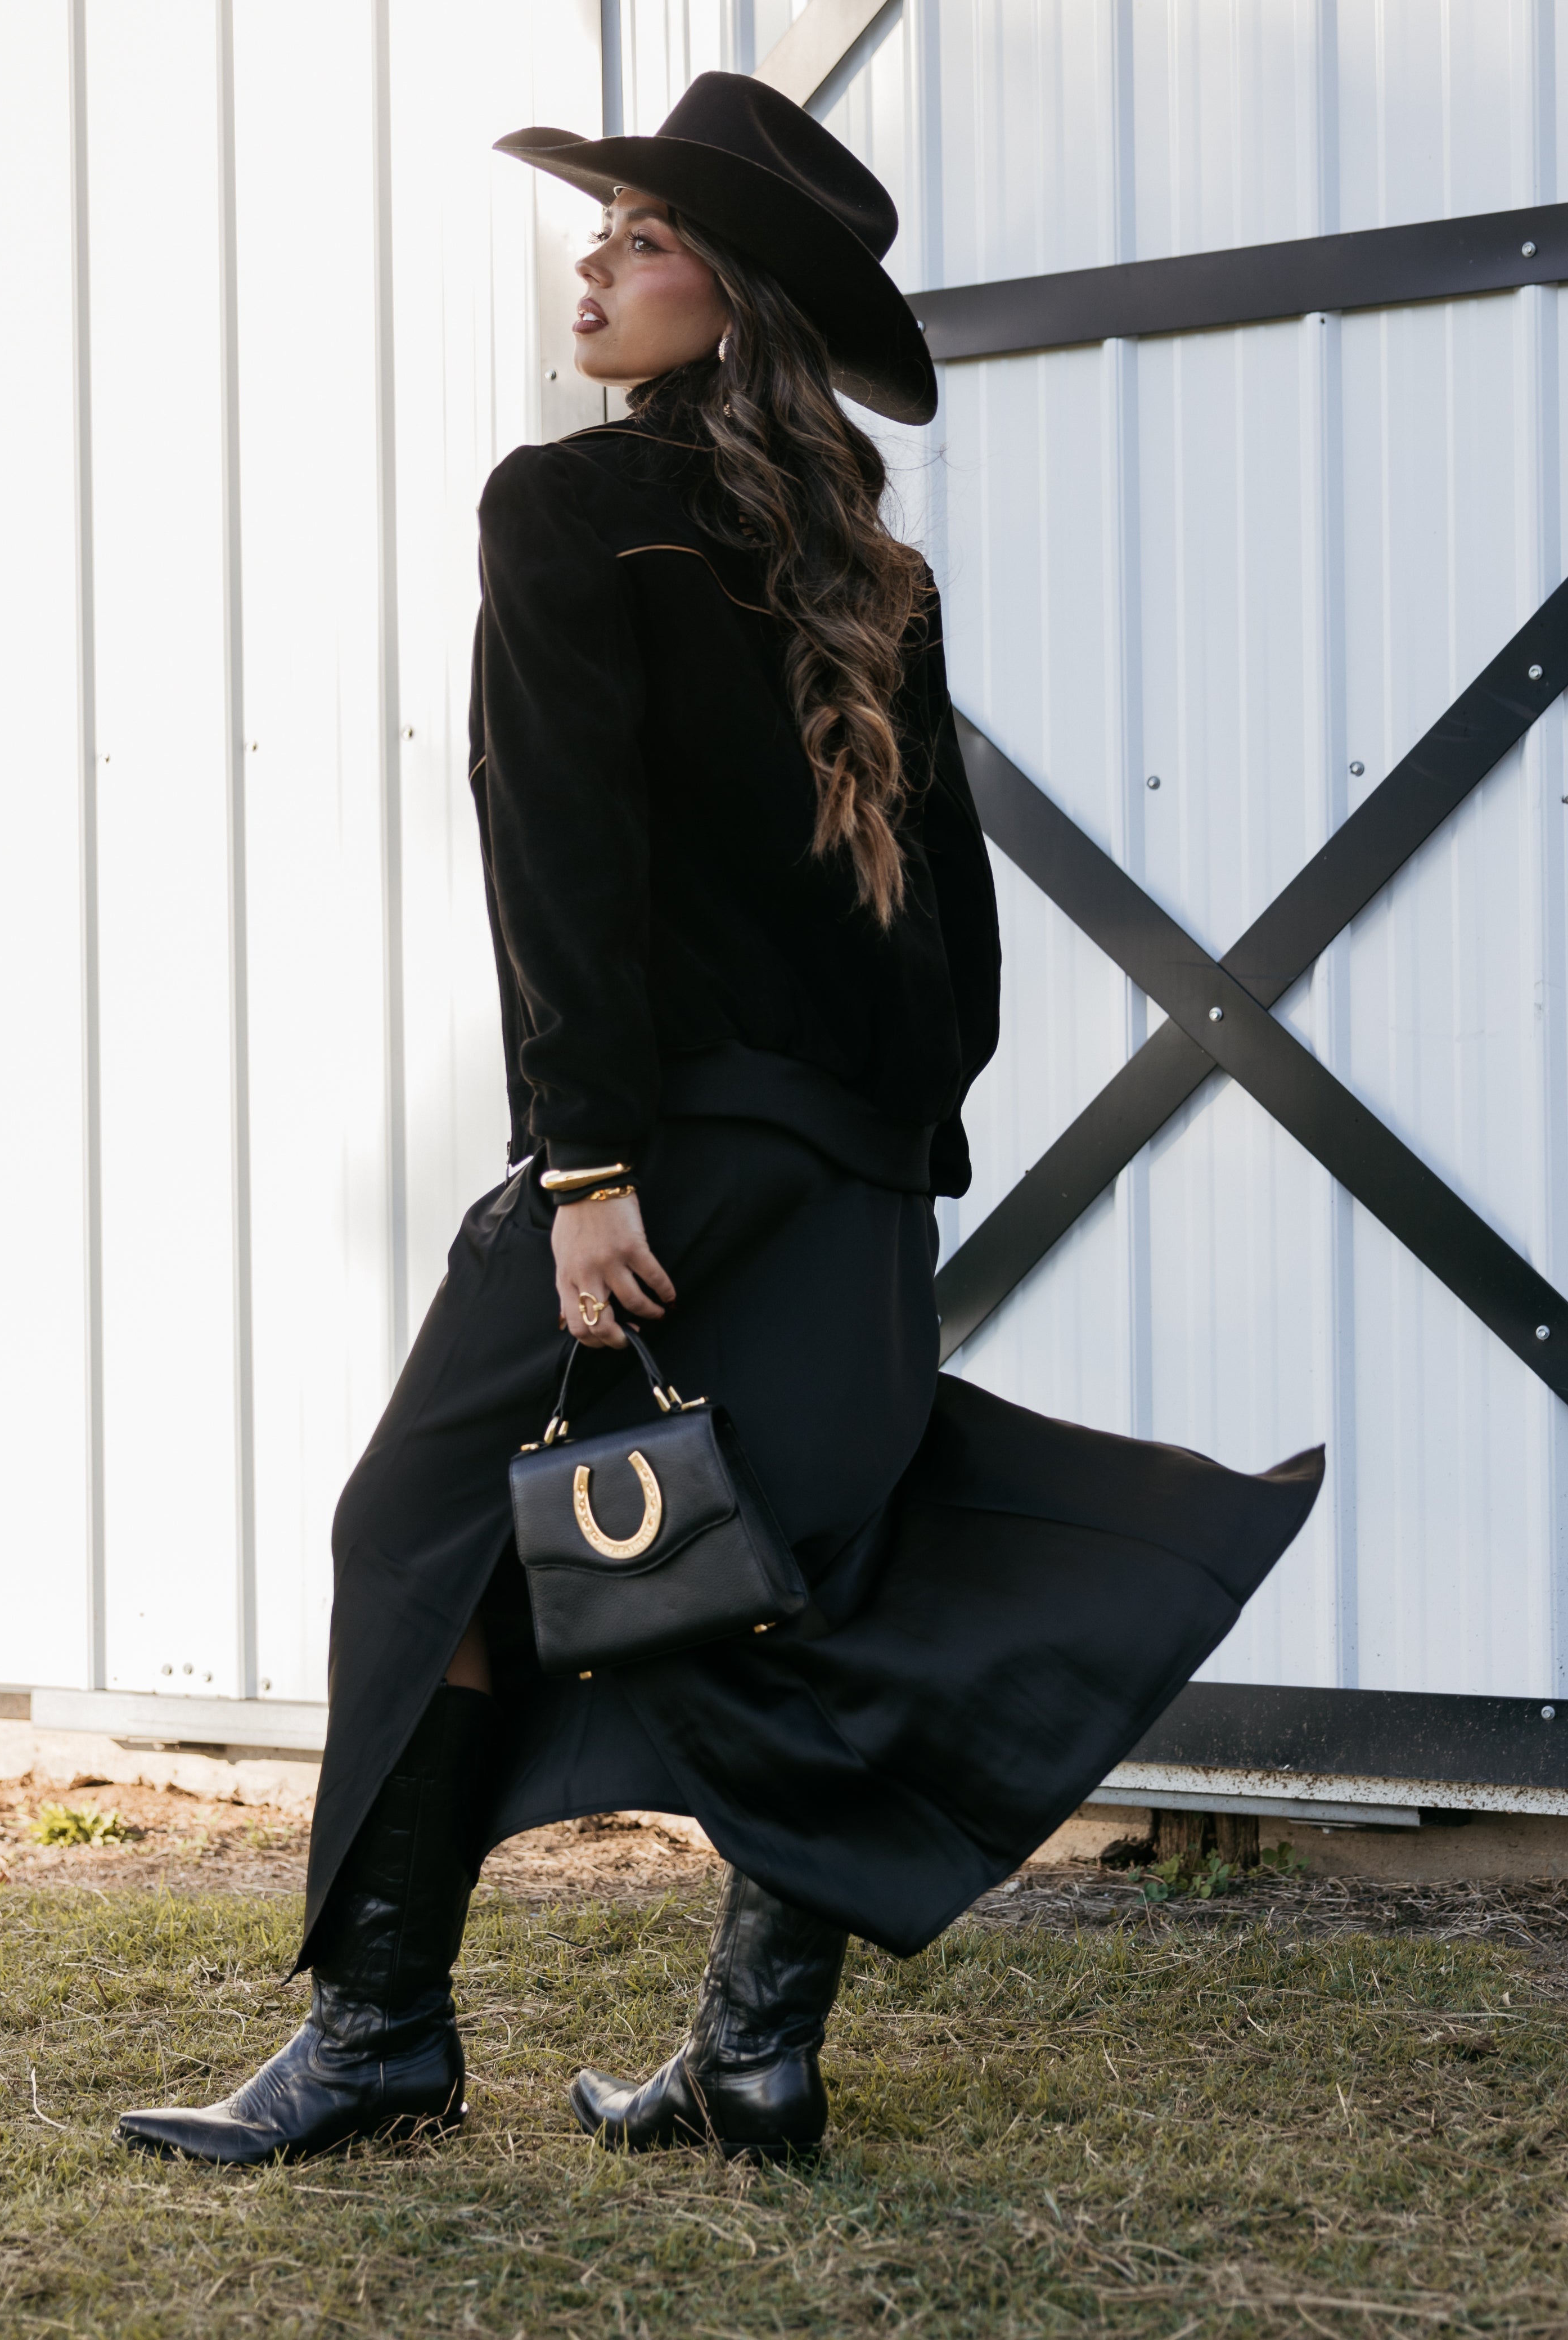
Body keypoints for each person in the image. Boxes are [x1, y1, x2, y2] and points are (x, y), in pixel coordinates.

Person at [117, 73, 1322, 2168]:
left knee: (416, 1534)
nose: (592, 261)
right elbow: (952, 944)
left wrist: (584, 1168)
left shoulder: (568, 509)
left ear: (736, 298)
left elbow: (560, 861)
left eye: (641, 237)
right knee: (799, 1584)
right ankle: (752, 2057)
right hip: (842, 1178)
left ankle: (390, 2031)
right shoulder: (872, 565)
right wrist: (880, 1160)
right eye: (599, 229)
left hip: (662, 1162)